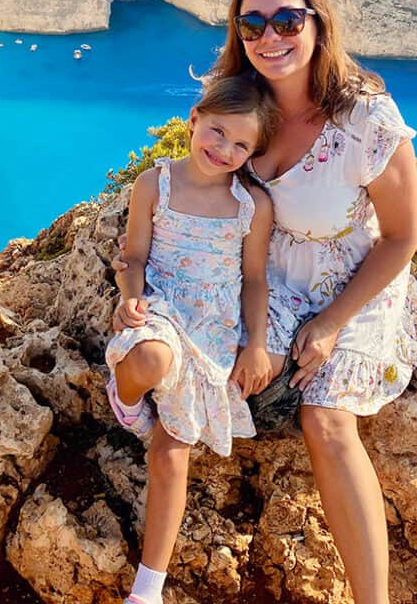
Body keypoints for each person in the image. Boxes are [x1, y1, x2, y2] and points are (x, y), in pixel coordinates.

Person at [114, 0, 417, 604]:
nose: (271, 36)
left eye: (288, 19)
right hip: (270, 279)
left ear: (317, 24)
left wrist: (331, 324)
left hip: (356, 287)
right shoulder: (242, 101)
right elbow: (192, 183)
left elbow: (403, 238)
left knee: (325, 418)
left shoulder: (366, 118)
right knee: (214, 374)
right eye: (254, 22)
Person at [106, 76, 277, 604]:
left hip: (215, 330)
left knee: (173, 452)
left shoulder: (251, 206)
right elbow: (134, 256)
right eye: (218, 131)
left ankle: (147, 590)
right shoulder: (153, 185)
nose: (225, 149)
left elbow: (253, 280)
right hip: (160, 309)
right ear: (194, 119)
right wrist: (128, 294)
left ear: (253, 152)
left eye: (242, 144)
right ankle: (125, 398)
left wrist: (254, 344)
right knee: (151, 358)